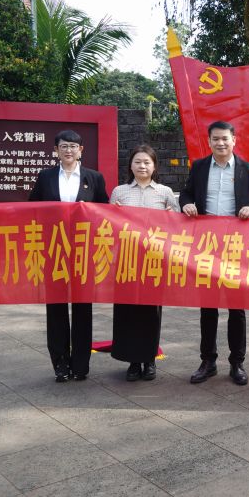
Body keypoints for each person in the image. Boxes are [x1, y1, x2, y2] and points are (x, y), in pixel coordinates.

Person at [179, 120, 249, 385]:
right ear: (209, 141)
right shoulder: (199, 167)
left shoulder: (246, 169)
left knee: (236, 307)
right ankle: (208, 361)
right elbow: (186, 194)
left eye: (225, 139)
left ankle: (237, 363)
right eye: (215, 139)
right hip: (206, 245)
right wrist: (186, 205)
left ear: (234, 140)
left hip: (235, 245)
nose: (220, 143)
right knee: (208, 306)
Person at [29, 129, 108, 382]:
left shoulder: (94, 178)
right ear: (56, 150)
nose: (68, 150)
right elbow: (31, 208)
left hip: (84, 251)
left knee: (83, 308)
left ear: (81, 150)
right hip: (54, 250)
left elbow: (105, 211)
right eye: (63, 146)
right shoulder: (45, 177)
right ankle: (60, 364)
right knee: (56, 307)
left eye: (73, 146)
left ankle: (80, 365)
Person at [109, 145, 179, 381]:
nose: (142, 166)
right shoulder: (119, 192)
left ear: (154, 166)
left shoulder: (165, 192)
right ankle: (132, 361)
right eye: (138, 162)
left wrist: (172, 217)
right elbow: (108, 226)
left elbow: (177, 227)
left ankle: (149, 359)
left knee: (151, 312)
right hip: (126, 259)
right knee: (127, 311)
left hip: (154, 260)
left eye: (147, 162)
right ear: (130, 165)